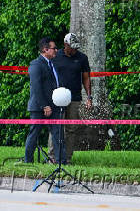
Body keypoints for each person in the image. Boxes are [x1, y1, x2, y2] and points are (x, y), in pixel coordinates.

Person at [48, 33, 92, 164]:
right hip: (57, 98)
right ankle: (53, 157)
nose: (74, 50)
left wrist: (89, 97)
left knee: (72, 129)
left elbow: (86, 78)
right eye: (72, 47)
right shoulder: (56, 56)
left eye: (76, 48)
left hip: (74, 98)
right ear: (65, 45)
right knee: (56, 127)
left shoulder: (82, 58)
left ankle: (67, 158)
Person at [24, 37, 66, 163]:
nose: (56, 51)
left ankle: (61, 162)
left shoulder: (52, 64)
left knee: (58, 134)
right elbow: (36, 87)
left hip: (54, 106)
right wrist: (44, 106)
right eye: (54, 48)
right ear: (45, 49)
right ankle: (28, 161)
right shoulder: (36, 64)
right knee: (34, 133)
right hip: (39, 107)